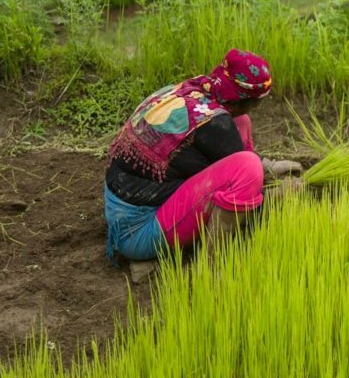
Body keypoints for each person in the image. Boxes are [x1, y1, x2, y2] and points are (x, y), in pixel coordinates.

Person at [103, 48, 302, 273]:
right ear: (247, 99)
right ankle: (211, 266)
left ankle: (256, 180)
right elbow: (240, 168)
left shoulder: (194, 90)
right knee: (247, 168)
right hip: (139, 232)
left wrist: (269, 167)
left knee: (241, 124)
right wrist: (275, 198)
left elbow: (223, 143)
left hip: (121, 213)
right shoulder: (217, 125)